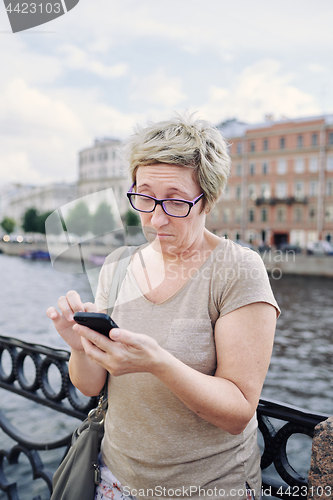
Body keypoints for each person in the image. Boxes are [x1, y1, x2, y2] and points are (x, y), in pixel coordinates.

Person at [47, 113, 280, 500]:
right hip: (114, 482)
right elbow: (91, 384)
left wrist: (159, 363)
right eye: (145, 196)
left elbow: (238, 411)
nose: (155, 218)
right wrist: (78, 344)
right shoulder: (118, 264)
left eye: (174, 201)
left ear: (208, 197)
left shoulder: (237, 269)